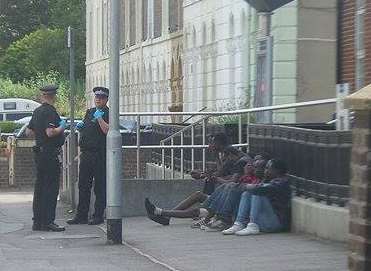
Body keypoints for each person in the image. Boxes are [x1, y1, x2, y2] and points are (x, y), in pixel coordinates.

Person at [144, 158, 265, 227]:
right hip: (221, 200)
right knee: (199, 196)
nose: (251, 167)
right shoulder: (244, 176)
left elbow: (231, 184)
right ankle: (166, 216)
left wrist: (216, 178)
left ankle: (160, 212)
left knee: (201, 211)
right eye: (251, 165)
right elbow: (223, 177)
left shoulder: (251, 179)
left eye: (253, 166)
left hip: (229, 207)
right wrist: (205, 174)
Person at [67, 87, 109, 225]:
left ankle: (98, 215)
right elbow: (85, 129)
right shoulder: (90, 112)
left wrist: (100, 119)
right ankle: (81, 215)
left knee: (100, 187)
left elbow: (107, 131)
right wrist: (80, 128)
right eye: (97, 97)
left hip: (100, 154)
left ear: (106, 99)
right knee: (83, 185)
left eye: (102, 97)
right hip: (86, 153)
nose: (98, 99)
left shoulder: (108, 112)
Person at [26, 85, 66, 232]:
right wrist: (62, 127)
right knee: (50, 188)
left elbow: (29, 132)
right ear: (53, 96)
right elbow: (50, 132)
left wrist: (39, 136)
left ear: (43, 96)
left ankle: (37, 221)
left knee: (40, 187)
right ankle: (48, 221)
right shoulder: (50, 112)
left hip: (39, 153)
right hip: (50, 154)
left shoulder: (37, 111)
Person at [222, 159, 291, 235]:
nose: (266, 170)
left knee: (256, 193)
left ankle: (252, 225)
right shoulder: (270, 180)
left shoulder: (281, 182)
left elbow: (260, 189)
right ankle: (239, 223)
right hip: (265, 220)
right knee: (246, 194)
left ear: (277, 170)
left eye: (268, 168)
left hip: (275, 223)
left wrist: (243, 185)